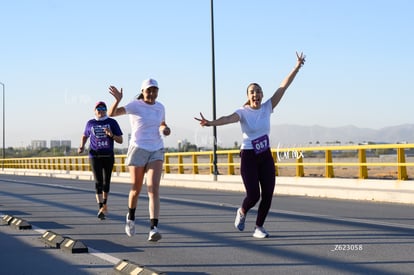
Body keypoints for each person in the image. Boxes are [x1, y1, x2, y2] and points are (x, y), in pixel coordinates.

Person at [195, 52, 306, 238]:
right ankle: (242, 211)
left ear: (262, 95)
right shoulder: (243, 112)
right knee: (254, 194)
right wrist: (210, 123)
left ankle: (259, 228)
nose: (256, 94)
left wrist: (296, 67)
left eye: (258, 91)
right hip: (248, 156)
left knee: (268, 193)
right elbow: (228, 119)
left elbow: (283, 86)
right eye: (252, 91)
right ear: (248, 96)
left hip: (265, 155)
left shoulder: (268, 107)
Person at [108, 78, 171, 242]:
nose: (152, 93)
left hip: (156, 149)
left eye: (154, 90)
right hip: (138, 149)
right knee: (136, 189)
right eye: (148, 90)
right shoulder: (135, 105)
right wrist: (117, 100)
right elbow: (112, 114)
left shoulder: (160, 107)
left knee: (153, 188)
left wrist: (165, 128)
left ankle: (153, 228)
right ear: (143, 92)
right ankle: (131, 216)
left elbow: (162, 123)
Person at [78, 101, 123, 220]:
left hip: (108, 155)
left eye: (103, 108)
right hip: (95, 155)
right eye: (98, 109)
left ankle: (105, 204)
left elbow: (120, 140)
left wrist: (111, 135)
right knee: (98, 182)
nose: (101, 111)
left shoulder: (112, 122)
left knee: (106, 182)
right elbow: (84, 135)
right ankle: (101, 207)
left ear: (106, 110)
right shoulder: (90, 123)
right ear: (94, 111)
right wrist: (82, 146)